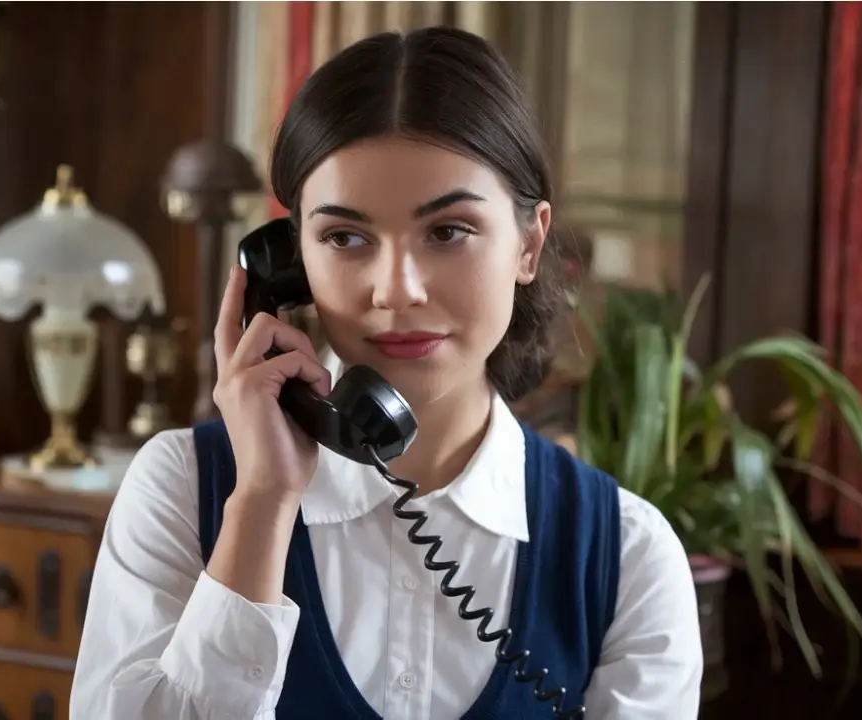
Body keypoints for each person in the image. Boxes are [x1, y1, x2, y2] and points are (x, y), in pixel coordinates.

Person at [71, 27, 702, 720]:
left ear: (529, 242)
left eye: (448, 231)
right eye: (346, 237)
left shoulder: (628, 557)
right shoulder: (181, 491)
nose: (396, 290)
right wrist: (262, 505)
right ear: (288, 263)